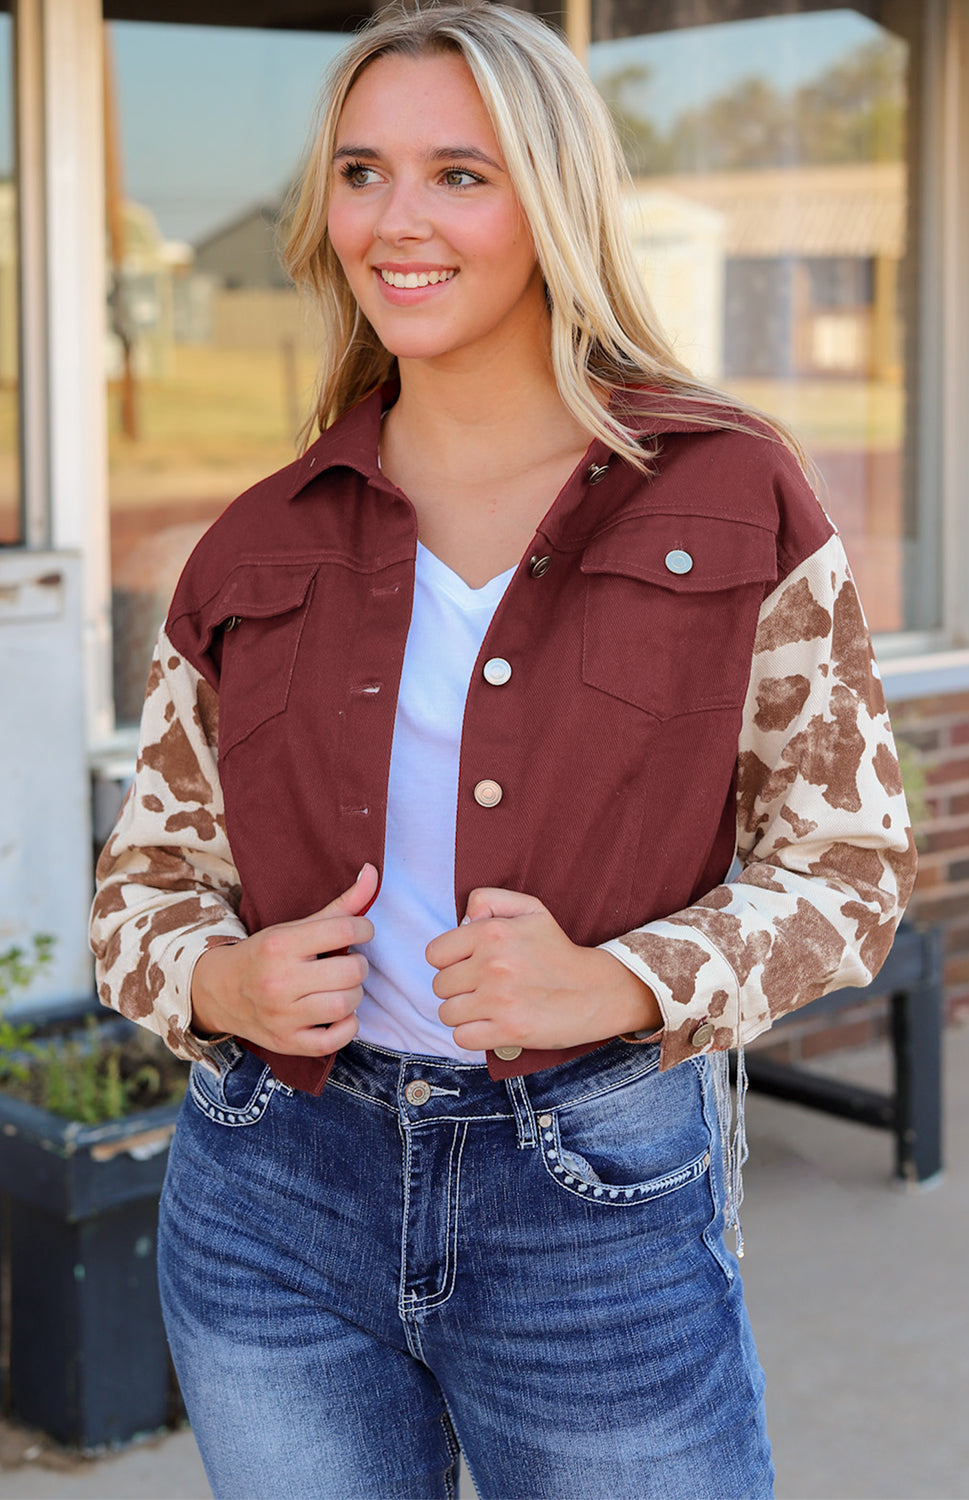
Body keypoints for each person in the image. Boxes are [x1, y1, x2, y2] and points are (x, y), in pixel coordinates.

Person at [90, 5, 916, 1497]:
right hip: (274, 1188)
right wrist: (223, 979)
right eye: (361, 171)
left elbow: (848, 867)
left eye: (457, 173)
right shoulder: (253, 542)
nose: (393, 221)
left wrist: (624, 979)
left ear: (553, 198)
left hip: (589, 1196)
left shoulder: (733, 497)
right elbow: (140, 888)